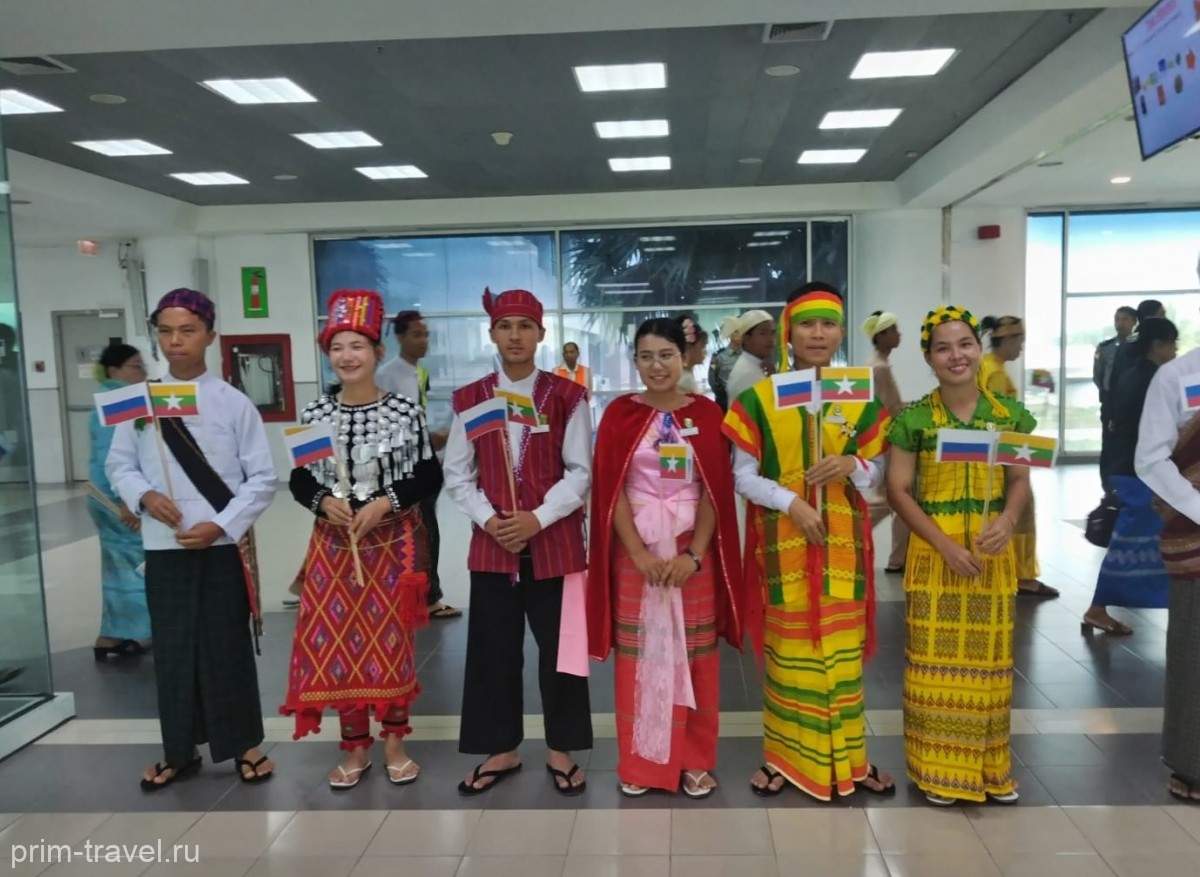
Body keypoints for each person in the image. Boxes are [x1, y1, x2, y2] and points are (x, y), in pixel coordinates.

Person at [723, 282, 895, 800]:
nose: (817, 334)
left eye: (828, 324)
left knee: (842, 663)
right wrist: (791, 503)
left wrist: (851, 464)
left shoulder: (858, 395)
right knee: (788, 660)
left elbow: (878, 470)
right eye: (806, 324)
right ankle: (782, 760)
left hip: (843, 549)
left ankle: (852, 761)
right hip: (783, 549)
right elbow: (742, 476)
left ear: (840, 333)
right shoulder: (759, 398)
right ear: (788, 332)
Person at [107, 288, 277, 789]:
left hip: (220, 544)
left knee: (226, 645)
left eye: (187, 331)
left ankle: (244, 744)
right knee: (174, 651)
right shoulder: (136, 402)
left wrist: (222, 525)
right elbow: (118, 464)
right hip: (164, 546)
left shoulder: (233, 403)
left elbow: (262, 478)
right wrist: (144, 495)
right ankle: (178, 751)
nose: (175, 341)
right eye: (165, 332)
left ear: (210, 335)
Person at [283, 289, 443, 789]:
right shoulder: (315, 413)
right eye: (337, 348)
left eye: (356, 346)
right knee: (340, 646)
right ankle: (354, 747)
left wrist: (385, 503)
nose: (347, 356)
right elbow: (300, 479)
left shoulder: (404, 412)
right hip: (333, 550)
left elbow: (427, 475)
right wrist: (320, 502)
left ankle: (394, 742)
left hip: (391, 549)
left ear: (376, 352)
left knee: (390, 645)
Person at [444, 288, 593, 795]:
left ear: (541, 334)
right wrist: (491, 520)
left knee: (561, 652)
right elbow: (458, 474)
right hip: (493, 548)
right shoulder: (471, 399)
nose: (515, 336)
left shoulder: (567, 396)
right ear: (492, 333)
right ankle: (501, 749)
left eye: (524, 326)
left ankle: (561, 748)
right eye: (505, 326)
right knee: (493, 652)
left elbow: (580, 471)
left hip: (555, 544)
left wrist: (537, 518)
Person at [587, 318, 744, 798]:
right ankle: (642, 761)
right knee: (639, 659)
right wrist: (636, 552)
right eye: (646, 357)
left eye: (666, 355)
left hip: (691, 553)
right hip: (636, 553)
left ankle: (695, 759)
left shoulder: (709, 414)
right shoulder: (619, 415)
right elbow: (609, 489)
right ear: (635, 362)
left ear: (685, 356)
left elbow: (716, 491)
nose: (657, 366)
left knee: (695, 656)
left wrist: (694, 555)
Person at [887, 305, 1034, 807]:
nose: (956, 356)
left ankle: (990, 770)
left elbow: (1020, 480)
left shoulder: (1008, 415)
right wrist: (944, 545)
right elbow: (899, 490)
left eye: (965, 344)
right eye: (943, 348)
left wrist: (1008, 520)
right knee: (933, 669)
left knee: (990, 668)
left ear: (978, 348)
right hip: (937, 557)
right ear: (929, 358)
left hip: (992, 557)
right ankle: (938, 773)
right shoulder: (914, 419)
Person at [1133, 329, 1200, 802]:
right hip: (1195, 535)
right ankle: (1193, 762)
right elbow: (1151, 459)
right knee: (1195, 653)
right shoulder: (1178, 376)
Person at [1085, 318, 1178, 636]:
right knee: (1131, 544)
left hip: (1127, 466)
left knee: (1139, 543)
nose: (1174, 352)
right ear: (1158, 345)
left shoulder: (1132, 372)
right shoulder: (1153, 379)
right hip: (1140, 472)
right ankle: (1098, 607)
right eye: (1172, 344)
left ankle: (1101, 606)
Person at [377, 309, 460, 619]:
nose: (423, 340)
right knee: (422, 532)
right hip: (405, 468)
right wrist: (431, 438)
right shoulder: (388, 376)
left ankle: (424, 594)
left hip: (424, 463)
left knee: (425, 531)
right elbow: (390, 428)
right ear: (399, 337)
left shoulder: (419, 373)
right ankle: (427, 597)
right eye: (416, 334)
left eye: (425, 334)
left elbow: (417, 417)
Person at [978, 315, 1059, 599]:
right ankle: (1023, 577)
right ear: (1006, 340)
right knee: (1021, 512)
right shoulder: (996, 374)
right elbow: (1002, 421)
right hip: (1004, 454)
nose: (1021, 348)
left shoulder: (986, 366)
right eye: (1019, 341)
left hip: (988, 454)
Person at [89, 343, 151, 660]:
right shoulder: (116, 402)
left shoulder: (115, 398)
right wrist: (126, 501)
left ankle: (113, 634)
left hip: (109, 497)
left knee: (119, 567)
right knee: (134, 566)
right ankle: (132, 632)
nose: (142, 372)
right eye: (135, 366)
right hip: (115, 499)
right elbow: (110, 458)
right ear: (114, 370)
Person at [862, 311, 909, 574]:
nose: (898, 334)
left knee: (898, 498)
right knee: (890, 497)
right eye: (893, 330)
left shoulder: (878, 365)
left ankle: (899, 558)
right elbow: (889, 408)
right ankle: (852, 533)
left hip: (887, 438)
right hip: (888, 440)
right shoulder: (879, 368)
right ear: (881, 336)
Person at [724, 309, 775, 405]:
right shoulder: (746, 374)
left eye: (772, 333)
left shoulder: (756, 365)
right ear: (746, 338)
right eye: (763, 333)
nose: (770, 339)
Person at [708, 315, 742, 410]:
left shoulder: (748, 355)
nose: (740, 334)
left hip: (745, 403)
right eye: (736, 331)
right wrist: (724, 398)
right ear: (730, 335)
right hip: (725, 404)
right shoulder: (719, 357)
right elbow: (712, 380)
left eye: (741, 331)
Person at [676, 316, 707, 394]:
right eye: (703, 345)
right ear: (688, 347)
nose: (705, 350)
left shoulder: (685, 375)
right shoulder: (684, 381)